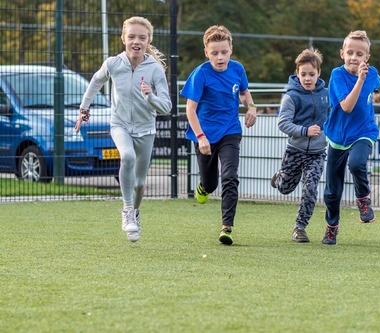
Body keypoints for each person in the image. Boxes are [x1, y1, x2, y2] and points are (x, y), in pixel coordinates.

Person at [75, 16, 172, 242]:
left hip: (146, 130)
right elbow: (96, 82)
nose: (136, 41)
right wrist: (83, 109)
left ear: (149, 41)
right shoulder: (113, 64)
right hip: (120, 125)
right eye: (131, 37)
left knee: (139, 184)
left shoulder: (155, 70)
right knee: (126, 156)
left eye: (142, 37)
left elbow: (166, 107)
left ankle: (135, 213)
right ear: (123, 39)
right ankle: (127, 210)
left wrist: (150, 97)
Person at [181, 25, 257, 245]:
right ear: (206, 52)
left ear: (231, 49)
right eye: (214, 53)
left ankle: (227, 227)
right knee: (211, 183)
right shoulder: (200, 74)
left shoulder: (238, 69)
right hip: (204, 135)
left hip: (230, 131)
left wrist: (251, 106)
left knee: (230, 177)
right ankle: (204, 187)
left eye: (224, 52)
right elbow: (190, 110)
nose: (220, 57)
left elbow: (244, 93)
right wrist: (201, 137)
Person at [322, 30, 380, 246]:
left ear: (367, 57)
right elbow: (346, 106)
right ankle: (331, 227)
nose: (354, 57)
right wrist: (360, 80)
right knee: (332, 191)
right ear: (342, 53)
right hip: (338, 137)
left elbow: (378, 80)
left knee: (356, 163)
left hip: (364, 131)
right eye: (350, 52)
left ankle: (364, 200)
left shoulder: (370, 72)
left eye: (360, 54)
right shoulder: (337, 75)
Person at [270, 47, 329, 243]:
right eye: (303, 74)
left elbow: (334, 116)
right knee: (285, 188)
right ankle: (279, 179)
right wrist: (304, 131)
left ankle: (300, 227)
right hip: (295, 150)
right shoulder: (291, 96)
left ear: (319, 73)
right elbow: (282, 123)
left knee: (310, 188)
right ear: (297, 73)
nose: (307, 79)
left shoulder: (326, 95)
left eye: (311, 74)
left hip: (317, 153)